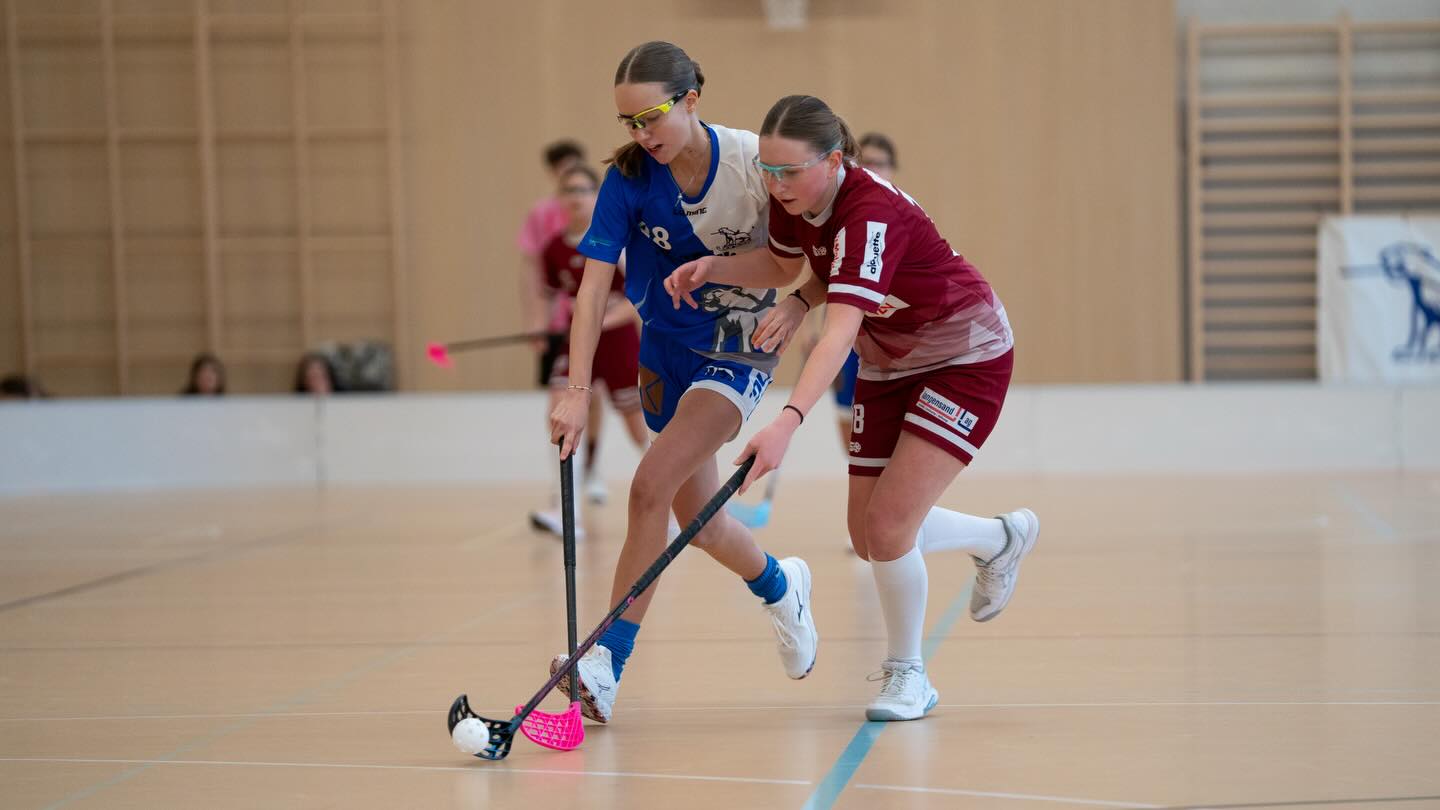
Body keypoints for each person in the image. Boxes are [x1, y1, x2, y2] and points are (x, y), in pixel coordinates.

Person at [665, 95, 1039, 723]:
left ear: (834, 159)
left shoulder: (872, 213)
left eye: (789, 170)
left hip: (964, 354)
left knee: (890, 527)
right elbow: (790, 262)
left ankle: (908, 674)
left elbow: (838, 334)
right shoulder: (797, 200)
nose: (775, 183)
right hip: (891, 360)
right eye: (767, 169)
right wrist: (720, 268)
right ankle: (999, 539)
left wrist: (786, 423)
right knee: (870, 537)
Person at [547, 41, 817, 725]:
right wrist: (576, 392)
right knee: (701, 525)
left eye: (653, 117)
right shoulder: (632, 178)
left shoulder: (755, 164)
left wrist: (788, 297)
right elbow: (591, 292)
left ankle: (605, 663)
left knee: (649, 487)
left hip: (738, 347)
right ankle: (782, 587)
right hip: (663, 350)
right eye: (628, 123)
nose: (641, 135)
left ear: (692, 99)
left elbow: (807, 257)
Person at [528, 164, 649, 536]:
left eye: (583, 190)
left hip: (618, 343)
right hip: (577, 342)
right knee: (559, 412)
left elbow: (639, 298)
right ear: (559, 198)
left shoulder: (614, 238)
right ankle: (568, 512)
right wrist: (543, 330)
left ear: (596, 195)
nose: (576, 198)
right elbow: (550, 299)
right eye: (569, 191)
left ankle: (674, 505)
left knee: (638, 426)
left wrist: (605, 319)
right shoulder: (552, 249)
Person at [518, 139, 614, 503]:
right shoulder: (542, 214)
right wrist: (534, 321)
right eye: (560, 172)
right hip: (560, 323)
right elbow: (533, 271)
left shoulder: (599, 207)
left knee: (596, 394)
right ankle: (563, 483)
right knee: (560, 398)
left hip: (597, 320)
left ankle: (591, 468)